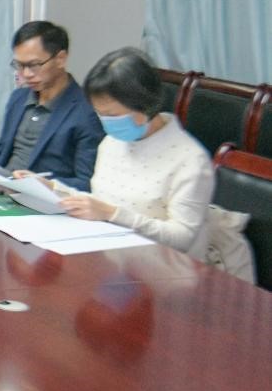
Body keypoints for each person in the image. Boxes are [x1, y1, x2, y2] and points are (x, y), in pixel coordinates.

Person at [57, 48, 214, 258]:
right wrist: (53, 189)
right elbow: (100, 202)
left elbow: (182, 238)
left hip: (164, 266)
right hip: (110, 254)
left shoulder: (191, 159)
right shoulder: (112, 142)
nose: (105, 123)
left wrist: (113, 214)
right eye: (99, 114)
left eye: (112, 115)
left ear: (145, 105)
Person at [0, 21, 104, 190]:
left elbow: (87, 183)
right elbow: (0, 154)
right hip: (0, 190)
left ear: (60, 59)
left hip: (40, 199)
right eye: (20, 65)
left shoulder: (86, 112)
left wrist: (47, 184)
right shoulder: (19, 98)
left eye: (34, 65)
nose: (26, 74)